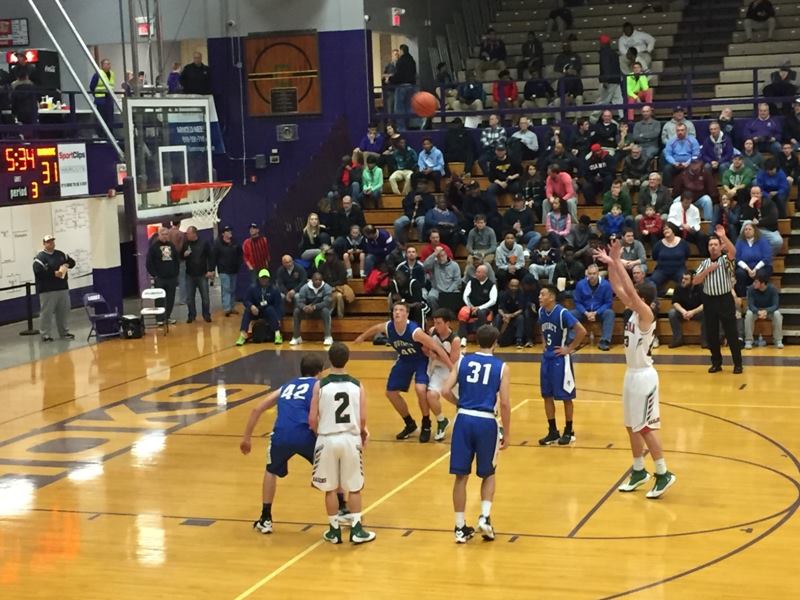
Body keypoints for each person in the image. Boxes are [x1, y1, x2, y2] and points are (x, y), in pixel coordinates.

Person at [593, 241, 677, 499]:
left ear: (645, 299)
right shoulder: (633, 310)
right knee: (631, 426)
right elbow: (618, 287)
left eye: (637, 295)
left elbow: (628, 288)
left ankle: (663, 473)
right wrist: (611, 263)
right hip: (630, 374)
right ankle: (639, 470)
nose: (631, 297)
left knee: (645, 427)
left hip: (644, 377)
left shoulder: (646, 314)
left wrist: (617, 261)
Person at [240, 354, 350, 534]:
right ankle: (342, 508)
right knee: (334, 465)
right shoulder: (319, 386)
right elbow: (322, 415)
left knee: (271, 470)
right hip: (305, 433)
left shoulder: (286, 386)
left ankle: (265, 518)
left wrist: (246, 438)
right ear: (319, 372)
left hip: (281, 434)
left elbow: (257, 409)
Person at [441, 324, 510, 543]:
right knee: (488, 473)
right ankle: (485, 517)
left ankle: (459, 527)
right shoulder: (502, 367)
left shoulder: (462, 361)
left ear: (476, 340)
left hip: (463, 419)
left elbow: (444, 390)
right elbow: (505, 403)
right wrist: (507, 433)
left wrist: (459, 403)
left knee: (461, 476)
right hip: (486, 421)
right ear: (495, 342)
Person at [355, 303, 453, 442]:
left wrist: (451, 367)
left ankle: (426, 424)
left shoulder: (415, 331)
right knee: (391, 393)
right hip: (404, 359)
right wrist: (362, 337)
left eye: (401, 310)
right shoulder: (388, 327)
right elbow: (376, 328)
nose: (397, 312)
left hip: (421, 360)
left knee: (420, 389)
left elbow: (437, 348)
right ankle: (410, 424)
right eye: (395, 310)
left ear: (407, 314)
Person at [309, 343, 376, 544]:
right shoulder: (357, 385)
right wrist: (362, 433)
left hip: (327, 438)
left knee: (330, 488)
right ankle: (356, 529)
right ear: (348, 360)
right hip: (350, 438)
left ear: (329, 360)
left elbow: (312, 419)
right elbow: (362, 418)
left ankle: (334, 530)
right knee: (354, 487)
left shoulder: (320, 385)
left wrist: (320, 434)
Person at [538, 284, 587, 445]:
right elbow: (542, 329)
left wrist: (569, 348)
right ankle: (553, 431)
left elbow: (582, 331)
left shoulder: (562, 313)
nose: (539, 297)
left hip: (560, 360)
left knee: (566, 396)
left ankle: (569, 431)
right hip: (547, 358)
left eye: (543, 294)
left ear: (551, 297)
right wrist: (544, 343)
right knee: (546, 395)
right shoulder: (541, 312)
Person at [692, 226, 743, 374]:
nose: (713, 247)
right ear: (708, 248)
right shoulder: (704, 263)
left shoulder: (726, 260)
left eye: (715, 244)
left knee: (731, 333)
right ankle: (716, 363)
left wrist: (723, 236)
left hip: (725, 299)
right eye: (710, 245)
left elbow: (733, 252)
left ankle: (738, 364)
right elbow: (695, 281)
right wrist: (708, 270)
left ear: (720, 247)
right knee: (712, 334)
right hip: (709, 301)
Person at [33, 234, 76, 342]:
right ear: (44, 244)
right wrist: (53, 274)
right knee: (47, 313)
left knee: (63, 312)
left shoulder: (60, 254)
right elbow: (38, 272)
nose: (51, 243)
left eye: (52, 241)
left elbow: (72, 262)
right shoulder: (40, 258)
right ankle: (45, 334)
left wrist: (67, 265)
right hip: (47, 290)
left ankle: (64, 332)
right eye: (48, 242)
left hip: (62, 288)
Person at [425, 309, 458, 437]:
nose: (436, 325)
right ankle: (441, 421)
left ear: (447, 323)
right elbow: (427, 350)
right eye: (435, 322)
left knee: (463, 399)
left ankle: (460, 407)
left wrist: (436, 356)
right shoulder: (432, 331)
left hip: (453, 370)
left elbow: (452, 362)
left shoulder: (455, 339)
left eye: (439, 323)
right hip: (438, 370)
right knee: (430, 395)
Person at [572, 264, 615, 351]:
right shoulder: (580, 284)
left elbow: (608, 303)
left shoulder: (606, 285)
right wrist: (586, 313)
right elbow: (577, 302)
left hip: (599, 312)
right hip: (584, 312)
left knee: (610, 313)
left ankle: (604, 341)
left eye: (594, 273)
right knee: (570, 314)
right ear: (587, 274)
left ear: (598, 274)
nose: (592, 276)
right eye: (590, 273)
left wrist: (596, 312)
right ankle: (573, 341)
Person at [236, 269, 283, 346]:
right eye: (262, 278)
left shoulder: (274, 289)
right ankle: (243, 334)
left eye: (266, 278)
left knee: (270, 309)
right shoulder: (252, 288)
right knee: (247, 311)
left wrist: (278, 318)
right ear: (259, 278)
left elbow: (278, 305)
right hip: (256, 310)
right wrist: (251, 306)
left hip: (268, 311)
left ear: (268, 278)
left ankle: (277, 334)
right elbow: (246, 300)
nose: (264, 280)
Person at [145, 227, 179, 326]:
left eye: (166, 234)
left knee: (170, 298)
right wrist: (154, 275)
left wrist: (175, 273)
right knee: (160, 299)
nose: (165, 236)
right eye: (163, 234)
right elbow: (149, 263)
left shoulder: (171, 245)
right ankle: (159, 318)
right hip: (160, 278)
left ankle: (167, 317)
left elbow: (176, 260)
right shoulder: (154, 247)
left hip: (171, 277)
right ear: (159, 235)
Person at [181, 226, 214, 323]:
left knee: (205, 297)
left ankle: (206, 315)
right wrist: (184, 255)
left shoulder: (204, 243)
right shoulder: (186, 244)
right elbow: (181, 255)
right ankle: (191, 315)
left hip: (202, 274)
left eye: (188, 233)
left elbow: (211, 256)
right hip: (190, 274)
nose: (187, 235)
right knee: (189, 298)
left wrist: (210, 270)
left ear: (194, 234)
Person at [290, 272, 334, 346]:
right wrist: (304, 307)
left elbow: (326, 303)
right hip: (307, 311)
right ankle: (296, 337)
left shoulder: (327, 287)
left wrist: (314, 307)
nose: (318, 281)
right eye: (316, 280)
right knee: (296, 311)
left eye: (320, 280)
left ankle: (328, 337)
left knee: (326, 311)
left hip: (319, 311)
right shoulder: (304, 288)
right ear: (312, 280)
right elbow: (300, 302)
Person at [668, 271, 706, 348]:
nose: (683, 280)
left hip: (697, 312)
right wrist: (684, 312)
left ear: (693, 280)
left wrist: (693, 312)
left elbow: (705, 304)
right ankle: (677, 339)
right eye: (683, 278)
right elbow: (675, 302)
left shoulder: (701, 287)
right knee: (672, 313)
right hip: (683, 313)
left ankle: (705, 340)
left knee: (708, 312)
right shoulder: (678, 287)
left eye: (686, 279)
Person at [672, 156, 717, 221]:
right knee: (676, 201)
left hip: (699, 199)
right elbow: (676, 190)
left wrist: (715, 199)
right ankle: (676, 221)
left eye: (696, 163)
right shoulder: (683, 174)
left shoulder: (705, 174)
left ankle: (708, 222)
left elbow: (712, 189)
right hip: (685, 198)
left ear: (700, 163)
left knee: (707, 200)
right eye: (692, 163)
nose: (694, 165)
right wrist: (682, 197)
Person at [744, 275, 783, 349]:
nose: (753, 283)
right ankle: (748, 340)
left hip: (769, 311)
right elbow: (750, 305)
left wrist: (766, 311)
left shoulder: (772, 289)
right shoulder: (751, 289)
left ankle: (778, 340)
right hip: (756, 311)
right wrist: (758, 312)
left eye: (756, 282)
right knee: (749, 314)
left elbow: (775, 305)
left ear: (762, 283)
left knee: (777, 314)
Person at [649, 223, 691, 291]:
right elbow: (654, 257)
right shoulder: (658, 244)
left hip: (679, 270)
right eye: (664, 230)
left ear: (673, 229)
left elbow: (687, 255)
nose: (665, 231)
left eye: (667, 228)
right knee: (652, 281)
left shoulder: (683, 243)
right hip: (661, 270)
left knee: (685, 281)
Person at [734, 222, 773, 296]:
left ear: (754, 230)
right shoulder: (740, 241)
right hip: (745, 267)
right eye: (745, 229)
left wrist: (755, 269)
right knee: (739, 273)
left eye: (749, 229)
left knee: (761, 274)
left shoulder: (762, 241)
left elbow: (767, 257)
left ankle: (759, 296)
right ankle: (743, 297)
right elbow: (737, 258)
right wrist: (748, 269)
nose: (747, 231)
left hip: (761, 266)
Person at [668, 192, 709, 257]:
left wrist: (692, 228)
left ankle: (703, 257)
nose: (687, 205)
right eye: (686, 203)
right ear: (681, 201)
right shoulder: (674, 206)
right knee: (669, 227)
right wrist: (681, 224)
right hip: (677, 230)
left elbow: (697, 224)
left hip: (689, 232)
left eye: (689, 203)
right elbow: (670, 219)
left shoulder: (695, 209)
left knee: (702, 236)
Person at [423, 246, 462, 312]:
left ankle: (452, 315)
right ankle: (436, 314)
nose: (441, 258)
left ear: (446, 255)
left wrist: (448, 291)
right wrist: (434, 254)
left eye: (442, 256)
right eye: (438, 256)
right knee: (430, 297)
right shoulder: (434, 264)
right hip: (437, 290)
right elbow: (425, 266)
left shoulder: (454, 265)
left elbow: (457, 281)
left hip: (451, 289)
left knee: (457, 295)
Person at [214, 226, 242, 316]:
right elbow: (214, 256)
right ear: (223, 233)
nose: (230, 232)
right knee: (226, 288)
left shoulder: (235, 242)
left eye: (230, 231)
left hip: (233, 269)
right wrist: (212, 269)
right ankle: (227, 308)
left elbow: (240, 253)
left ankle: (232, 307)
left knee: (232, 289)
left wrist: (239, 263)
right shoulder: (218, 244)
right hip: (223, 270)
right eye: (227, 231)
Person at [594, 34, 623, 121]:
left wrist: (605, 80)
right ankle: (622, 117)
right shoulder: (614, 53)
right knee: (618, 100)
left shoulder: (604, 52)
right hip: (616, 79)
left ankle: (593, 119)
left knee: (603, 101)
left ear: (602, 43)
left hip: (609, 80)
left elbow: (605, 65)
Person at [389, 44, 417, 131]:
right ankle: (411, 126)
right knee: (409, 107)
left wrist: (390, 79)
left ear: (402, 51)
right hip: (411, 86)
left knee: (399, 108)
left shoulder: (401, 61)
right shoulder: (412, 60)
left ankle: (401, 128)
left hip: (401, 86)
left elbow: (399, 75)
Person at [88, 58, 115, 127]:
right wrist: (96, 95)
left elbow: (112, 85)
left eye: (109, 64)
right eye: (107, 64)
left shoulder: (112, 74)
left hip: (109, 98)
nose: (109, 66)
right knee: (102, 118)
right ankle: (101, 132)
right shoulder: (98, 74)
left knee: (110, 118)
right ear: (103, 65)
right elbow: (92, 86)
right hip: (101, 99)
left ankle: (110, 131)